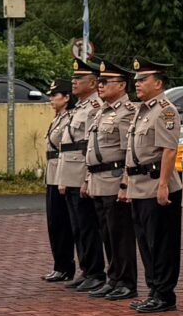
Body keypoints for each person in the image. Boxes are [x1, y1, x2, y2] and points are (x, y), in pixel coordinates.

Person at [128, 58, 182, 315]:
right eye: (136, 80)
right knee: (146, 242)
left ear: (158, 84)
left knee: (161, 243)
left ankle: (164, 294)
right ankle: (153, 290)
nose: (137, 83)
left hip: (155, 184)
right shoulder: (143, 110)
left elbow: (169, 150)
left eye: (143, 79)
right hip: (139, 185)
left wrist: (163, 184)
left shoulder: (165, 110)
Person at [85, 60, 139, 301]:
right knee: (107, 234)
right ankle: (114, 278)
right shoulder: (102, 112)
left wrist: (125, 183)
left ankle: (126, 282)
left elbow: (129, 151)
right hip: (99, 179)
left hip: (114, 179)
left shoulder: (127, 113)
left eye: (106, 81)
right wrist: (88, 179)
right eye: (100, 81)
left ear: (122, 85)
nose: (101, 85)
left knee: (121, 235)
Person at [63, 60, 106, 291]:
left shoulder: (94, 107)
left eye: (79, 79)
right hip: (70, 172)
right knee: (78, 227)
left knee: (88, 226)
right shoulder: (80, 107)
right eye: (74, 78)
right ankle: (86, 269)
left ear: (92, 83)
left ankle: (96, 272)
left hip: (81, 172)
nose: (74, 82)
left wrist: (86, 178)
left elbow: (91, 145)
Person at [39, 78, 79, 283]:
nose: (51, 99)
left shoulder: (70, 118)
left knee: (62, 223)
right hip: (52, 174)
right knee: (54, 223)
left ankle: (65, 266)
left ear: (66, 98)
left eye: (55, 95)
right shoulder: (59, 118)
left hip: (62, 174)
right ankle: (59, 265)